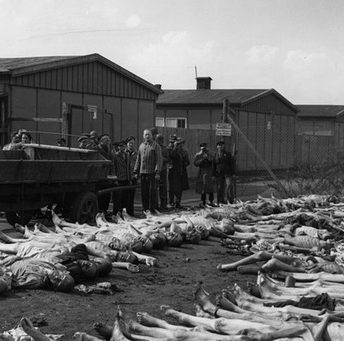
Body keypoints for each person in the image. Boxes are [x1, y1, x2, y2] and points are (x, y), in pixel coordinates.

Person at [134, 129, 162, 213]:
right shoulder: (141, 146)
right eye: (145, 135)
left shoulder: (156, 146)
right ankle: (145, 209)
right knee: (144, 192)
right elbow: (138, 159)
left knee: (152, 192)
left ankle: (152, 209)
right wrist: (136, 171)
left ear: (151, 136)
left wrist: (157, 172)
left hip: (152, 173)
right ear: (143, 136)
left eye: (148, 134)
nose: (147, 136)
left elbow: (159, 160)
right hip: (143, 173)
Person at [168, 137, 188, 209]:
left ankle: (178, 202)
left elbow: (187, 162)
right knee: (172, 188)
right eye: (178, 143)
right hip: (173, 172)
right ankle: (171, 202)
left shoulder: (183, 151)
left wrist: (184, 160)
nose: (180, 145)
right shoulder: (171, 149)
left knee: (180, 188)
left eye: (181, 143)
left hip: (181, 172)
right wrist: (175, 148)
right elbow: (171, 156)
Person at [194, 143, 215, 207]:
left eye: (205, 148)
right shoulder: (198, 155)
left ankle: (211, 201)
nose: (204, 149)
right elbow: (195, 163)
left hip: (209, 172)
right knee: (203, 188)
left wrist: (208, 156)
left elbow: (212, 161)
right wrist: (202, 159)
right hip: (202, 172)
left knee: (210, 188)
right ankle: (203, 201)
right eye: (203, 148)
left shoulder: (209, 154)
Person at [113, 140, 131, 217]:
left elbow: (128, 167)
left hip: (126, 179)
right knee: (117, 199)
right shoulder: (115, 156)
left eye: (124, 146)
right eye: (121, 146)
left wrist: (129, 178)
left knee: (125, 198)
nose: (122, 148)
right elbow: (114, 168)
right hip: (119, 179)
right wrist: (115, 179)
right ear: (118, 147)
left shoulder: (127, 155)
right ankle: (115, 213)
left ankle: (123, 213)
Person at [156, 134, 169, 211]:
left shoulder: (164, 149)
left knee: (163, 188)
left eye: (161, 139)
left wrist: (161, 159)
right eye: (159, 139)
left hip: (163, 170)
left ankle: (163, 205)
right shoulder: (154, 147)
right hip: (155, 170)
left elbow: (168, 159)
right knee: (155, 188)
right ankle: (155, 205)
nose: (160, 141)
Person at [125, 136, 137, 216]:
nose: (131, 145)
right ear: (127, 144)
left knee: (131, 195)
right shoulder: (124, 153)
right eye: (130, 143)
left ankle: (131, 212)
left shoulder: (136, 153)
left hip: (133, 176)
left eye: (132, 143)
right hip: (125, 176)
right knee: (125, 195)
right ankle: (124, 212)